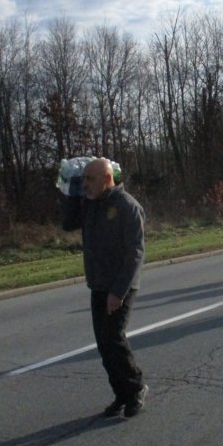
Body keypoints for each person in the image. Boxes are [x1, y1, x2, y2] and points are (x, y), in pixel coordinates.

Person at [62, 157, 148, 418]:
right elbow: (68, 224)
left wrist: (118, 291)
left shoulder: (127, 206)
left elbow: (135, 253)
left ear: (107, 179)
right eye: (83, 179)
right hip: (99, 283)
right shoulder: (91, 204)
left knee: (113, 338)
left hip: (120, 285)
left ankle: (135, 389)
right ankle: (120, 393)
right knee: (103, 343)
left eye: (90, 179)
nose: (85, 184)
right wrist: (70, 192)